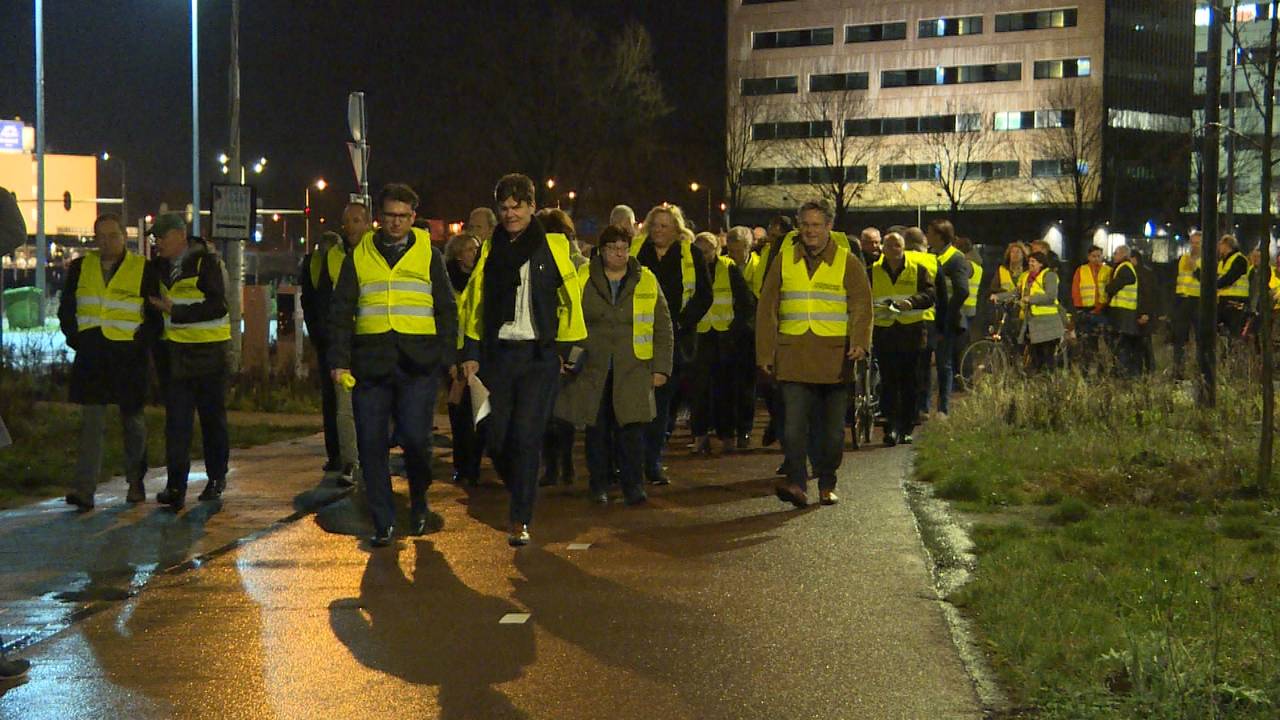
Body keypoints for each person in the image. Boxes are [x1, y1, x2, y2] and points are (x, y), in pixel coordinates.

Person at [459, 174, 586, 547]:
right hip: (500, 355)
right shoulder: (490, 249)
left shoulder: (553, 248)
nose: (511, 214)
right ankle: (523, 483)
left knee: (527, 435)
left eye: (518, 206)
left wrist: (568, 353)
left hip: (538, 356)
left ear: (533, 206)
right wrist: (470, 352)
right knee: (496, 437)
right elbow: (474, 303)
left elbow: (571, 303)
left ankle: (520, 518)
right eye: (505, 207)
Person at [329, 183, 458, 547]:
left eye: (403, 216)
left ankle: (419, 500)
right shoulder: (360, 253)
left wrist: (447, 356)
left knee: (417, 440)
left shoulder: (428, 254)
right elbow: (341, 310)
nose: (396, 223)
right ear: (378, 218)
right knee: (371, 443)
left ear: (414, 217)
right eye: (389, 216)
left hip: (418, 364)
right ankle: (383, 520)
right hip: (370, 364)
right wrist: (339, 360)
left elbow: (446, 306)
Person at [757, 199, 873, 508]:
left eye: (816, 225)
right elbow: (767, 307)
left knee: (832, 433)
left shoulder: (847, 261)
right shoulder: (783, 260)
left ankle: (827, 481)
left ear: (829, 227)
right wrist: (764, 353)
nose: (810, 231)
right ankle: (796, 483)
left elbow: (862, 303)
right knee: (793, 426)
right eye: (805, 224)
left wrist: (860, 340)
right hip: (793, 355)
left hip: (834, 359)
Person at [558, 225, 673, 505]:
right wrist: (564, 355)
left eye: (624, 248)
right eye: (613, 248)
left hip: (633, 366)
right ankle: (598, 484)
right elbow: (565, 316)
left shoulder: (645, 279)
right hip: (593, 367)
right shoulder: (583, 277)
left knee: (631, 430)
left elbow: (663, 326)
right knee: (596, 429)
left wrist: (661, 368)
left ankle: (633, 485)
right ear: (602, 250)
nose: (619, 254)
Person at [57, 213, 162, 510]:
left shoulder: (142, 269)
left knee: (133, 423)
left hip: (129, 357)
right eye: (100, 237)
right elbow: (67, 308)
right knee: (91, 424)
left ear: (124, 237)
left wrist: (141, 343)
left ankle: (135, 482)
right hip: (92, 356)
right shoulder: (80, 267)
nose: (106, 242)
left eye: (112, 236)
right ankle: (84, 490)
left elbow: (155, 317)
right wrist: (76, 338)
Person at [147, 213, 231, 510]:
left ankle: (216, 479)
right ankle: (175, 487)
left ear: (180, 235)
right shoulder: (158, 267)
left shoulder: (205, 262)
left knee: (212, 421)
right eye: (154, 237)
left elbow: (218, 305)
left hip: (209, 354)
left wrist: (176, 310)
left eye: (162, 236)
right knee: (177, 424)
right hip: (177, 356)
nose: (157, 242)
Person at [629, 204, 712, 485]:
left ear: (677, 230)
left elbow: (704, 295)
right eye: (655, 225)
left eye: (664, 226)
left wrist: (681, 323)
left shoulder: (691, 254)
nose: (658, 231)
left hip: (675, 339)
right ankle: (632, 459)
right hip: (639, 335)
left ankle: (652, 460)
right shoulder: (638, 253)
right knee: (635, 400)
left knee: (663, 401)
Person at [301, 223, 361, 487]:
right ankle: (345, 457)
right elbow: (319, 303)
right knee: (340, 402)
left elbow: (311, 302)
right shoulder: (325, 263)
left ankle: (345, 456)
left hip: (342, 340)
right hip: (337, 342)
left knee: (340, 402)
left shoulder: (317, 263)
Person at [689, 231, 754, 454]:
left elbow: (746, 302)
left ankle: (727, 436)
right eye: (698, 251)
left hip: (724, 338)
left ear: (716, 250)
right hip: (699, 337)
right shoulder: (689, 270)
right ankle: (700, 436)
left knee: (725, 389)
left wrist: (734, 329)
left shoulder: (728, 268)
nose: (702, 255)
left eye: (706, 250)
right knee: (699, 390)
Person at [535, 207, 586, 487]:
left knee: (551, 408)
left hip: (554, 341)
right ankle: (561, 465)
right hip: (569, 340)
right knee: (560, 408)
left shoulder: (547, 261)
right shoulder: (578, 263)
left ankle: (555, 465)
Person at [870, 232, 934, 446]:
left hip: (911, 331)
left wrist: (912, 302)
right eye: (889, 246)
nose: (893, 249)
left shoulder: (917, 270)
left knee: (910, 382)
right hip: (885, 332)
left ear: (904, 247)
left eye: (897, 245)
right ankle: (891, 427)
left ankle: (906, 428)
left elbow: (930, 295)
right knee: (888, 382)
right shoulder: (873, 272)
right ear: (883, 250)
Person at [444, 232, 483, 485]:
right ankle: (462, 465)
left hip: (477, 351)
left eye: (477, 248)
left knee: (478, 412)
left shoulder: (482, 279)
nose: (475, 253)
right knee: (459, 414)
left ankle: (475, 465)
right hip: (455, 353)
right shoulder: (447, 282)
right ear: (458, 255)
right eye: (470, 249)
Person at [926, 219, 970, 416]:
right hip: (929, 317)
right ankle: (923, 406)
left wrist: (948, 313)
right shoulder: (930, 255)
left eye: (930, 232)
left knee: (944, 364)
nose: (927, 236)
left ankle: (943, 408)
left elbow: (962, 290)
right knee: (925, 363)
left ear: (939, 235)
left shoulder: (956, 258)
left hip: (947, 320)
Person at [723, 226, 759, 447]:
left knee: (747, 384)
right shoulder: (723, 266)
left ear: (748, 247)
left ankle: (745, 428)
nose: (733, 256)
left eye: (737, 251)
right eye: (731, 250)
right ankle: (728, 427)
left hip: (750, 332)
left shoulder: (759, 265)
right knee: (728, 384)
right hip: (726, 330)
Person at [1105, 246, 1148, 377]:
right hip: (1125, 312)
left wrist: (1107, 286)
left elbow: (1112, 287)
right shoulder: (1126, 267)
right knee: (1124, 345)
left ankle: (1122, 372)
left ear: (1123, 254)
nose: (1114, 256)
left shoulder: (1124, 268)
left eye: (1115, 253)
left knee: (1121, 345)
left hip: (1123, 313)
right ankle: (1124, 372)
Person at [1020, 251, 1065, 372]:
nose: (1030, 263)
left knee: (1047, 355)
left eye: (1033, 261)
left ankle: (1050, 382)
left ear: (1041, 264)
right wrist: (998, 296)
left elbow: (1051, 296)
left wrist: (1031, 299)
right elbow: (1016, 291)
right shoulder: (1026, 277)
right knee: (1036, 355)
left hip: (1048, 322)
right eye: (1029, 261)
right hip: (1034, 322)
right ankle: (1038, 381)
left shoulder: (1049, 275)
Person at [1070, 245, 1112, 369]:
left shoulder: (1108, 270)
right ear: (1088, 257)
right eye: (1094, 256)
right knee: (1086, 343)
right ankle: (1086, 369)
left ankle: (1102, 369)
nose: (1096, 259)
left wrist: (1102, 306)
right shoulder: (1081, 270)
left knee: (1104, 342)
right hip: (1085, 310)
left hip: (1103, 310)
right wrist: (1079, 310)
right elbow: (1075, 291)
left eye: (1099, 256)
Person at [1171, 232, 1201, 378]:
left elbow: (1207, 281)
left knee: (1201, 338)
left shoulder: (1208, 260)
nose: (1194, 246)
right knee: (1179, 338)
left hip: (1197, 301)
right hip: (1182, 301)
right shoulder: (1183, 258)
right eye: (1192, 242)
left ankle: (1200, 371)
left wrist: (1196, 268)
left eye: (1197, 243)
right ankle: (1178, 371)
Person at [1210, 234, 1250, 339]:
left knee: (1234, 334)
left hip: (1235, 302)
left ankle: (1233, 353)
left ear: (1227, 245)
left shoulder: (1239, 259)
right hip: (1223, 301)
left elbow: (1230, 278)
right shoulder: (1222, 262)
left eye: (1220, 245)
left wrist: (1213, 286)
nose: (1219, 248)